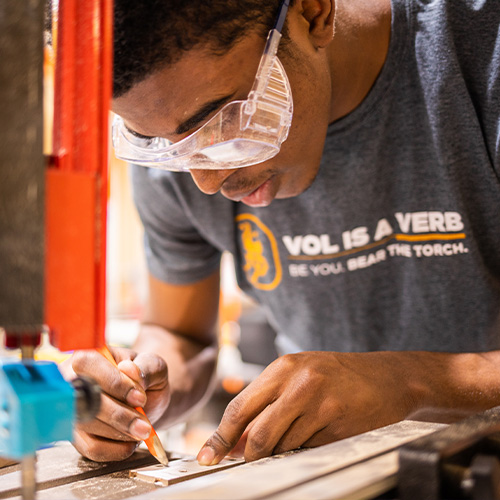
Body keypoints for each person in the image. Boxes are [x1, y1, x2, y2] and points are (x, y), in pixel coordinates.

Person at [61, 0, 500, 465]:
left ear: (313, 14)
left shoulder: (479, 56)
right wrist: (132, 393)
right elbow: (180, 334)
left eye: (223, 123)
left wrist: (412, 383)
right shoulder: (174, 141)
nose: (206, 182)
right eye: (156, 143)